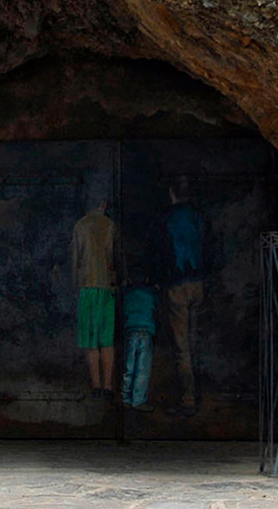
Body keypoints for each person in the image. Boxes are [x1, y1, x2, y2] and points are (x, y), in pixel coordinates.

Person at [159, 175, 207, 413]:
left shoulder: (167, 219)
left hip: (176, 284)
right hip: (198, 283)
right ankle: (199, 392)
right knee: (195, 340)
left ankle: (188, 398)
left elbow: (160, 251)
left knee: (182, 345)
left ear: (172, 193)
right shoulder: (199, 217)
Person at [70, 184, 117, 396]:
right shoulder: (110, 225)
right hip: (106, 288)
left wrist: (75, 288)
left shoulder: (79, 226)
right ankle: (108, 386)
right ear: (103, 203)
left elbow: (74, 261)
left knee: (90, 342)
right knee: (107, 339)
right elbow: (115, 258)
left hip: (86, 288)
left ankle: (96, 386)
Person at [119, 283, 156, 408]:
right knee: (142, 369)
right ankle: (138, 400)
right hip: (145, 333)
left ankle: (125, 398)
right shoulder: (151, 293)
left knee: (128, 367)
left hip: (130, 332)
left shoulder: (127, 294)